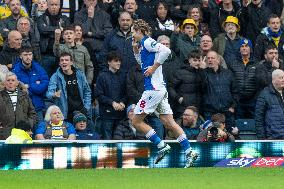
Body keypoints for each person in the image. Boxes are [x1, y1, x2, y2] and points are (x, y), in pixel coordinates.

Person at [131, 19, 198, 168]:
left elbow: (166, 51)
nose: (132, 35)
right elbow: (142, 65)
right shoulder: (143, 46)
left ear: (139, 31)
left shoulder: (148, 41)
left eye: (133, 31)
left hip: (153, 90)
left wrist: (154, 68)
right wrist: (136, 51)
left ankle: (161, 146)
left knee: (136, 121)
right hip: (160, 90)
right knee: (169, 122)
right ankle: (189, 151)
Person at [46, 52, 92, 123]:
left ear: (71, 62)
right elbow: (49, 93)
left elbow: (87, 91)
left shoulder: (80, 74)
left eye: (66, 60)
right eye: (62, 60)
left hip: (81, 111)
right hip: (66, 113)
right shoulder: (55, 76)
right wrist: (54, 94)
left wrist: (86, 107)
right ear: (59, 63)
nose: (64, 62)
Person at [95, 51, 127, 139]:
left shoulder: (123, 75)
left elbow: (127, 92)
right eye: (116, 61)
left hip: (121, 113)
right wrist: (112, 103)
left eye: (119, 61)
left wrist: (122, 102)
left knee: (120, 140)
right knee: (107, 141)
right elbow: (99, 95)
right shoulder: (102, 76)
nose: (119, 63)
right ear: (109, 62)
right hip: (107, 114)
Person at [12, 46, 49, 121]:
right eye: (25, 55)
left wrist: (28, 86)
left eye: (30, 54)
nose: (28, 57)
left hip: (38, 105)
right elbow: (18, 89)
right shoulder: (15, 71)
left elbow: (45, 84)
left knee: (40, 129)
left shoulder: (38, 68)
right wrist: (36, 85)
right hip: (23, 106)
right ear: (20, 56)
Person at [0, 72, 37, 140]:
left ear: (17, 83)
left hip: (23, 133)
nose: (10, 82)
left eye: (13, 80)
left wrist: (28, 125)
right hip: (4, 134)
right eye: (8, 80)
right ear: (5, 83)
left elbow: (32, 113)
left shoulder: (25, 96)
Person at [227, 39, 258, 119]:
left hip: (252, 100)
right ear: (239, 49)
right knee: (239, 126)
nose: (244, 48)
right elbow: (230, 82)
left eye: (247, 46)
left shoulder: (257, 64)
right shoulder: (233, 63)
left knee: (253, 125)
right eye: (242, 46)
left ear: (250, 49)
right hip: (238, 101)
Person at [168, 49, 203, 119]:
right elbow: (170, 87)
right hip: (183, 108)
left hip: (197, 108)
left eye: (199, 60)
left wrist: (202, 71)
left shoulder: (202, 72)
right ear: (189, 60)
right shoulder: (180, 72)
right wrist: (178, 98)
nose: (197, 63)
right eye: (195, 60)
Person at [255, 69, 284, 139]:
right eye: (281, 78)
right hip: (273, 137)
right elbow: (259, 118)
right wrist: (262, 138)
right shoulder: (264, 94)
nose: (283, 80)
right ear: (273, 79)